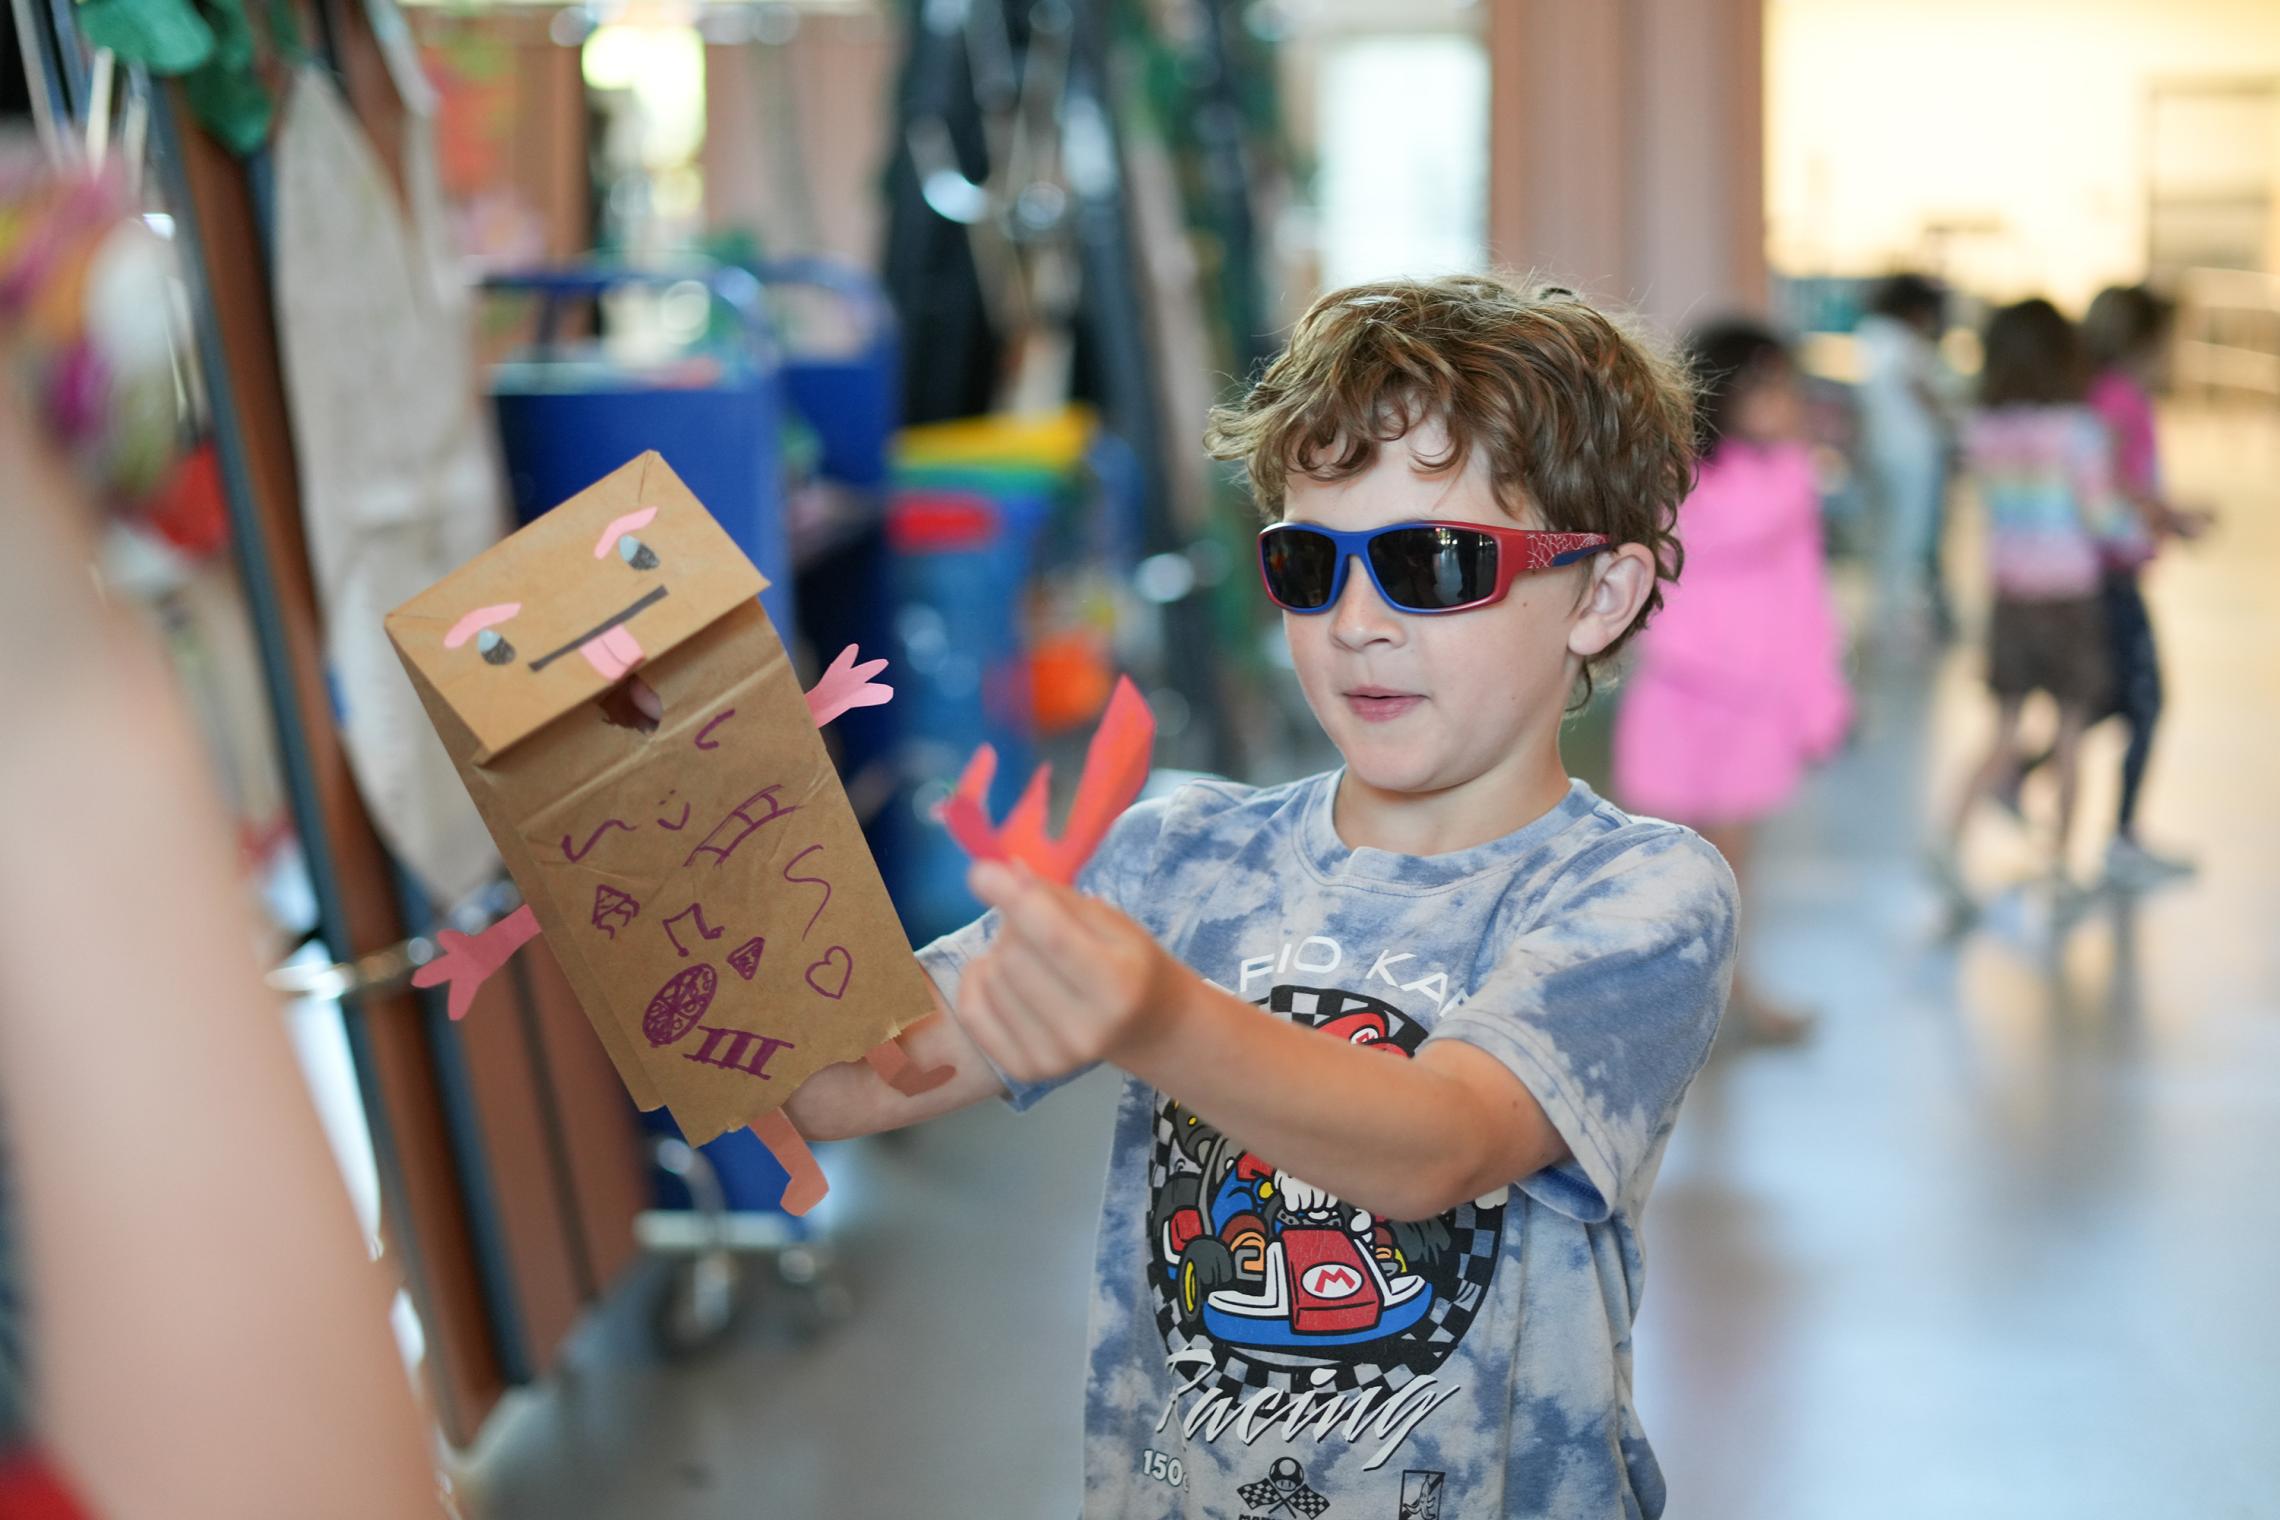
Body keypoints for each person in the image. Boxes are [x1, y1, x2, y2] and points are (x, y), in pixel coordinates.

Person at [783, 275, 1736, 1518]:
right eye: (1308, 561)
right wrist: (656, 815)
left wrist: (1159, 1016)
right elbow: (844, 1076)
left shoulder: (1637, 893)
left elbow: (1441, 1142)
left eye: (1430, 561)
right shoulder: (1175, 855)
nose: (1355, 621)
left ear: (1599, 594)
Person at [1613, 319, 1850, 1043]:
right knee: (1664, 862)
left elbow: (1806, 597)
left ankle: (1727, 995)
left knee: (1727, 867)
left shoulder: (1787, 478)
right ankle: (1677, 997)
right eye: (1765, 385)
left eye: (1785, 385)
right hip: (1677, 691)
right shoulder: (1673, 478)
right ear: (1725, 391)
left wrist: (1819, 701)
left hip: (1751, 701)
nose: (1783, 400)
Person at [1935, 298, 2119, 913]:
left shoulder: (1982, 428)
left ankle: (1948, 840)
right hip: (2069, 598)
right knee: (2069, 734)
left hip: (2010, 598)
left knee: (2005, 730)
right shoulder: (2079, 430)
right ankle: (2063, 867)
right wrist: (2145, 530)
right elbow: (2101, 517)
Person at [2075, 284, 2210, 886]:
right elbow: (2109, 480)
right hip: (2111, 574)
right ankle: (2122, 838)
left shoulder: (2111, 393)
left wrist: (2168, 517)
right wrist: (2170, 515)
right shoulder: (2118, 397)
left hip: (2111, 569)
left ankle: (2024, 772)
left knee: (2116, 698)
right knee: (2145, 700)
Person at [1855, 273, 1957, 643]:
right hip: (1913, 455)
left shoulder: (1870, 336)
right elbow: (1923, 392)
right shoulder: (1904, 342)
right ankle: (1901, 618)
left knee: (1887, 537)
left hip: (1880, 450)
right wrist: (1951, 418)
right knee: (1910, 538)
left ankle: (1886, 614)